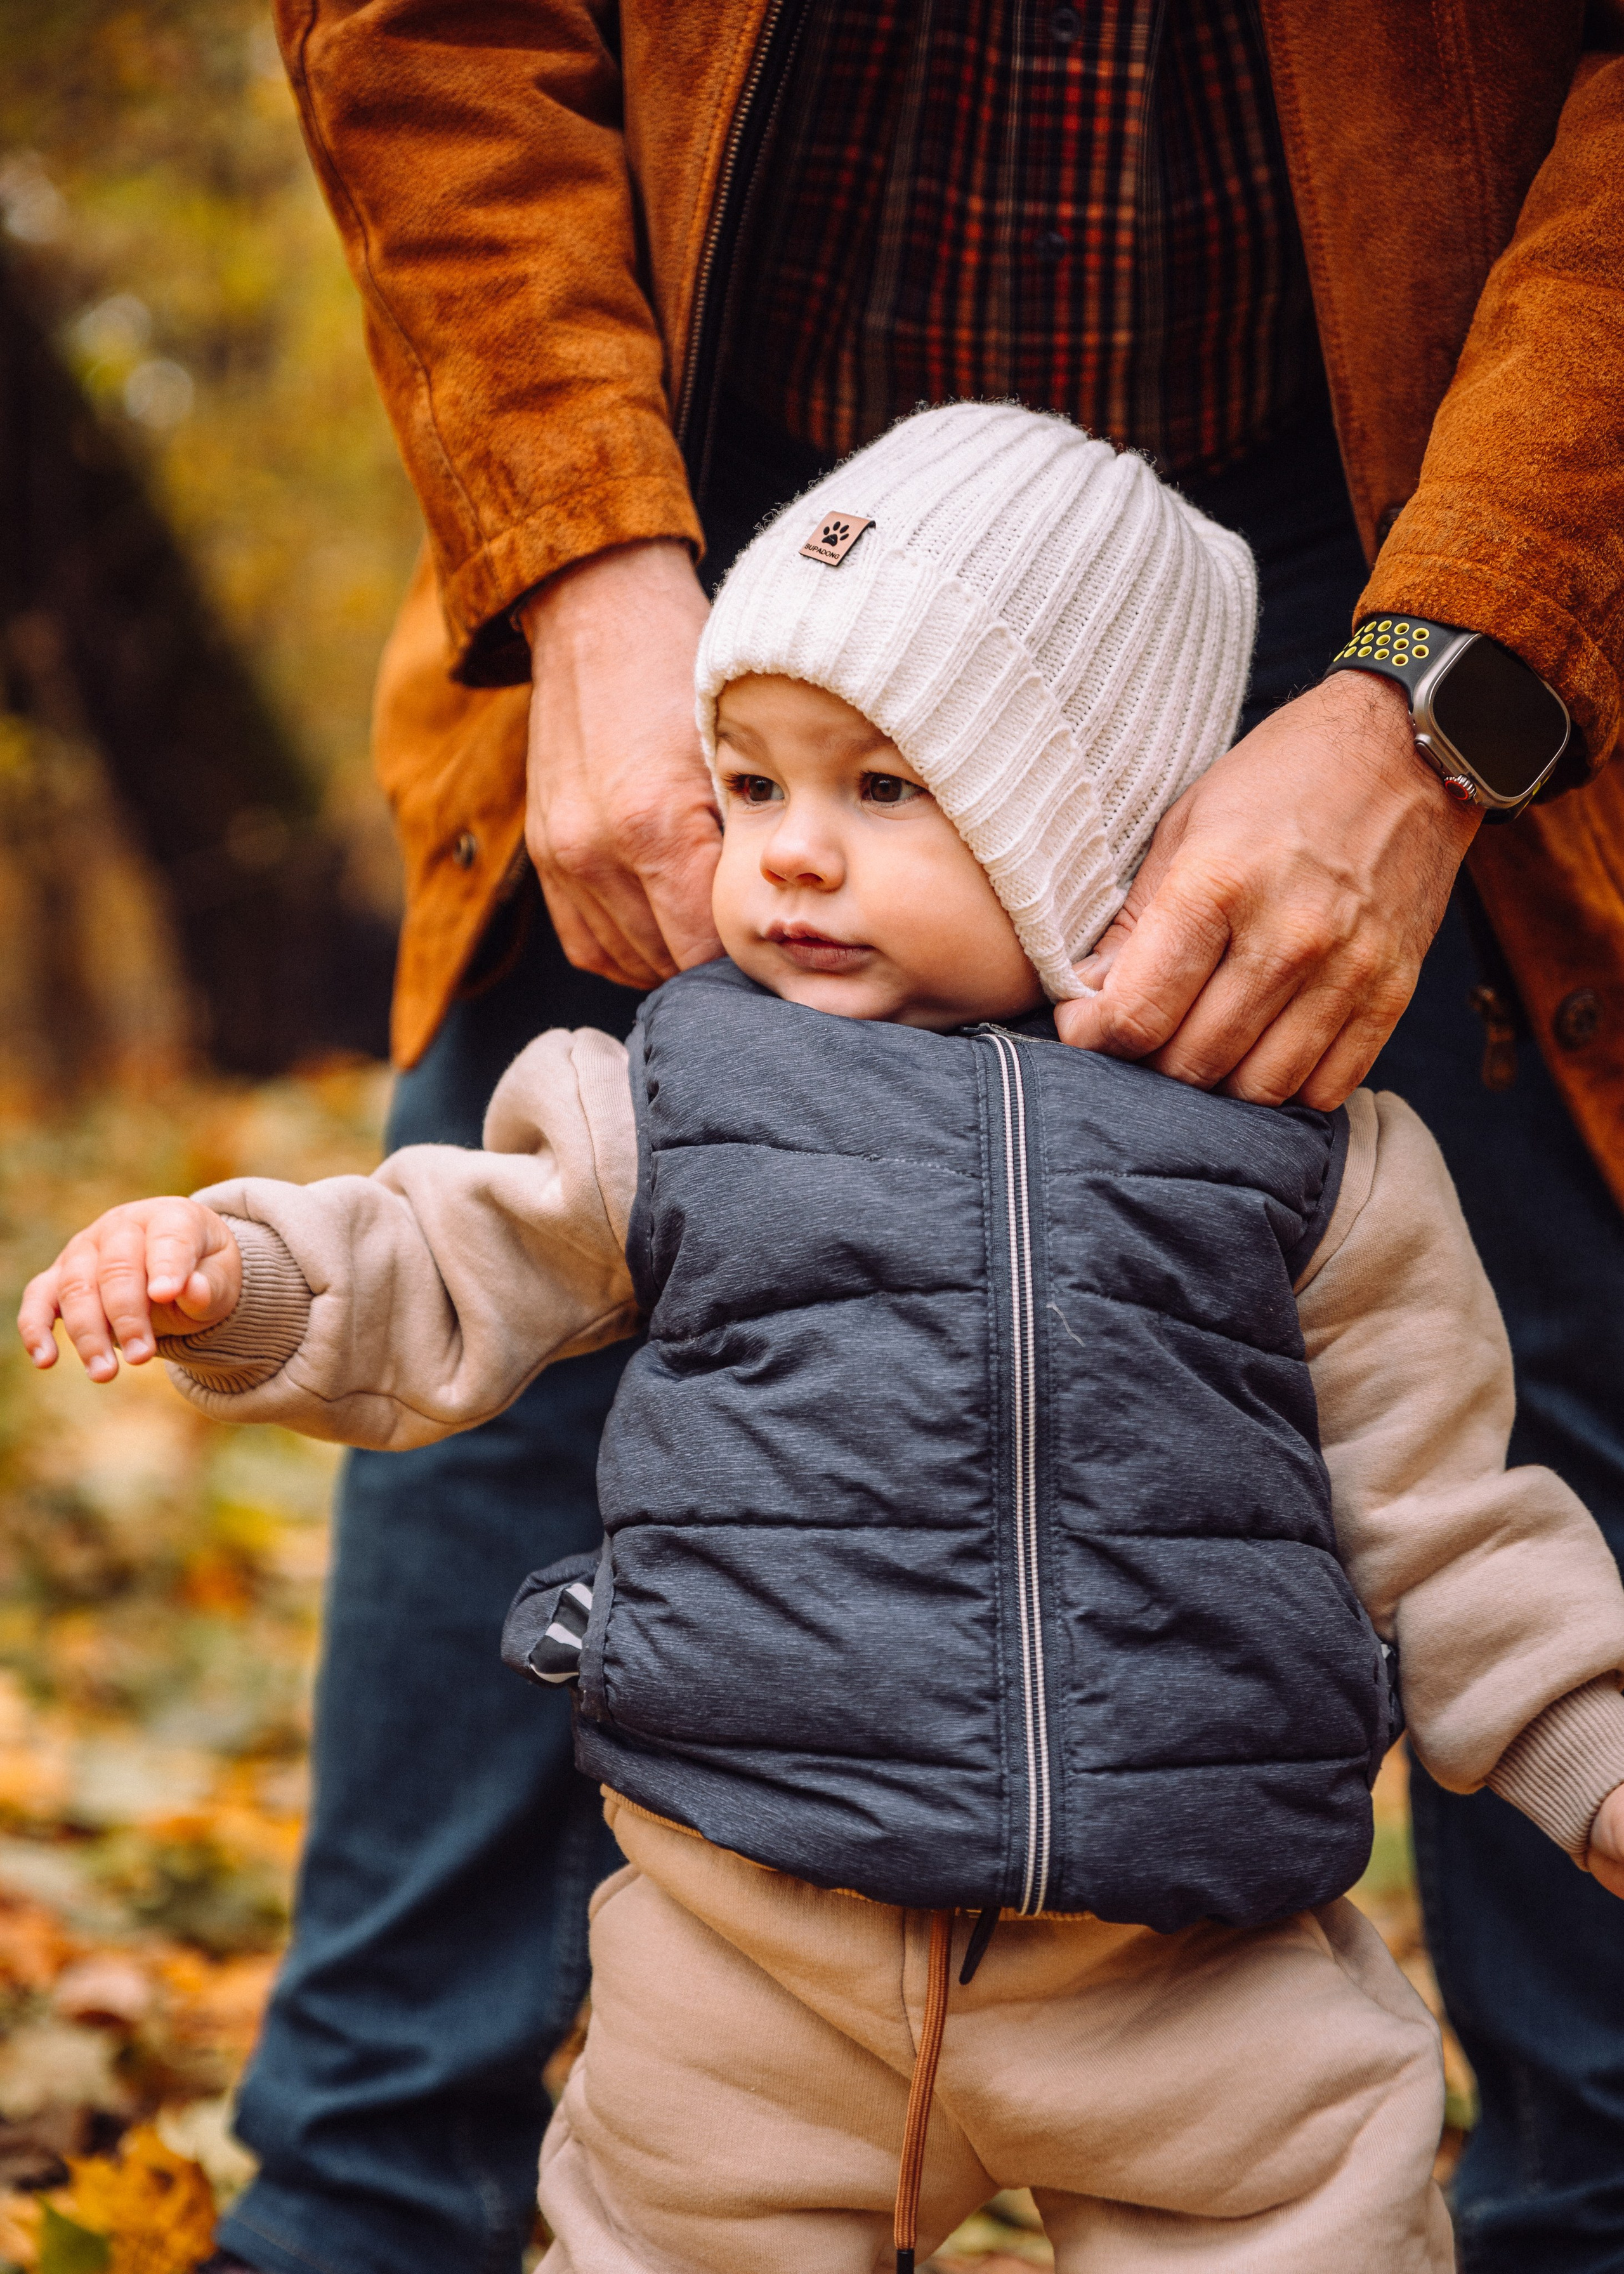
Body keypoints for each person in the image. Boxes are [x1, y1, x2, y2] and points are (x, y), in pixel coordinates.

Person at [249, 5, 1624, 2268]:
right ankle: (356, 2204)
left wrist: (1450, 679)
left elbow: (1449, 1504)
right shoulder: (661, 1090)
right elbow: (449, 1265)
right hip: (705, 445)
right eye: (764, 796)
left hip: (1374, 470)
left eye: (873, 800)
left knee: (1547, 1287)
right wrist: (580, 546)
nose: (782, 861)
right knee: (524, 1421)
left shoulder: (1313, 1177)